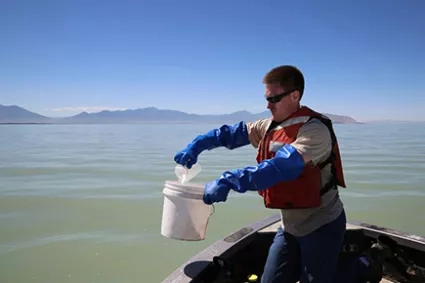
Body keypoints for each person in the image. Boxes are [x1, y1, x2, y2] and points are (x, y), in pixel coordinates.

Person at [174, 65, 388, 283]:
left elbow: (283, 166)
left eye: (273, 99)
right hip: (289, 226)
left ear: (294, 95)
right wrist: (198, 144)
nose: (268, 105)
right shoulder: (267, 125)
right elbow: (231, 134)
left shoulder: (315, 130)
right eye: (266, 98)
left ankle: (365, 264)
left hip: (321, 223)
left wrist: (230, 180)